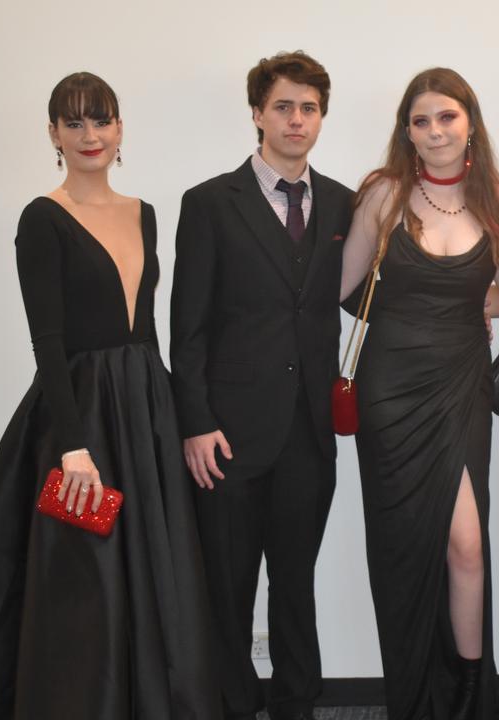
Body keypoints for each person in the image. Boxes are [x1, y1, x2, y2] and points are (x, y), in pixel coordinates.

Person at [0, 72, 220, 719]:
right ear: (52, 133)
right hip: (79, 418)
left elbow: (149, 330)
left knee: (155, 574)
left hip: (147, 413)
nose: (89, 135)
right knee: (87, 583)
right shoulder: (41, 218)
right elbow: (46, 343)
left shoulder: (146, 214)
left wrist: (170, 419)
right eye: (73, 122)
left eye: (100, 120)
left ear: (120, 129)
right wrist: (73, 447)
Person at [170, 52, 353, 720]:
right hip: (226, 435)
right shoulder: (209, 204)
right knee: (228, 588)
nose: (296, 119)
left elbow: (363, 294)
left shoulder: (340, 202)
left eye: (308, 107)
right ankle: (229, 703)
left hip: (308, 432)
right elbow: (185, 328)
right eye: (283, 106)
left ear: (320, 117)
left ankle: (296, 703)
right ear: (257, 114)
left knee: (295, 584)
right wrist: (194, 420)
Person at [338, 67, 499, 720]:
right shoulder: (385, 194)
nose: (435, 130)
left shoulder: (494, 198)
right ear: (405, 131)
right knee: (407, 549)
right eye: (421, 120)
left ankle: (469, 697)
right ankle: (414, 700)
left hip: (462, 387)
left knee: (466, 545)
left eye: (446, 116)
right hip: (392, 392)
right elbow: (342, 289)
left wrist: (485, 302)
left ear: (469, 122)